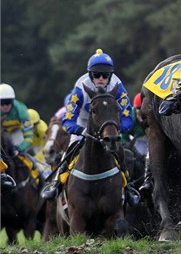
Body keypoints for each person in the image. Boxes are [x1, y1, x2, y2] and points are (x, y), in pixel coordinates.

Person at [41, 49, 139, 206]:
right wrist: (81, 131)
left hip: (107, 125)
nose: (101, 78)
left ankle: (128, 188)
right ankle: (56, 184)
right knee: (70, 149)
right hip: (83, 124)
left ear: (111, 75)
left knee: (121, 151)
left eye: (105, 75)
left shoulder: (118, 87)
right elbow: (68, 120)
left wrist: (116, 129)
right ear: (90, 75)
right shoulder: (80, 88)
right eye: (96, 75)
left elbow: (128, 117)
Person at [1, 83, 34, 191]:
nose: (5, 106)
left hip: (16, 133)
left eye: (8, 102)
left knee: (21, 156)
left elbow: (29, 135)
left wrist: (20, 147)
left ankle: (37, 179)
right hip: (2, 132)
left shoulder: (21, 109)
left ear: (13, 101)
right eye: (1, 103)